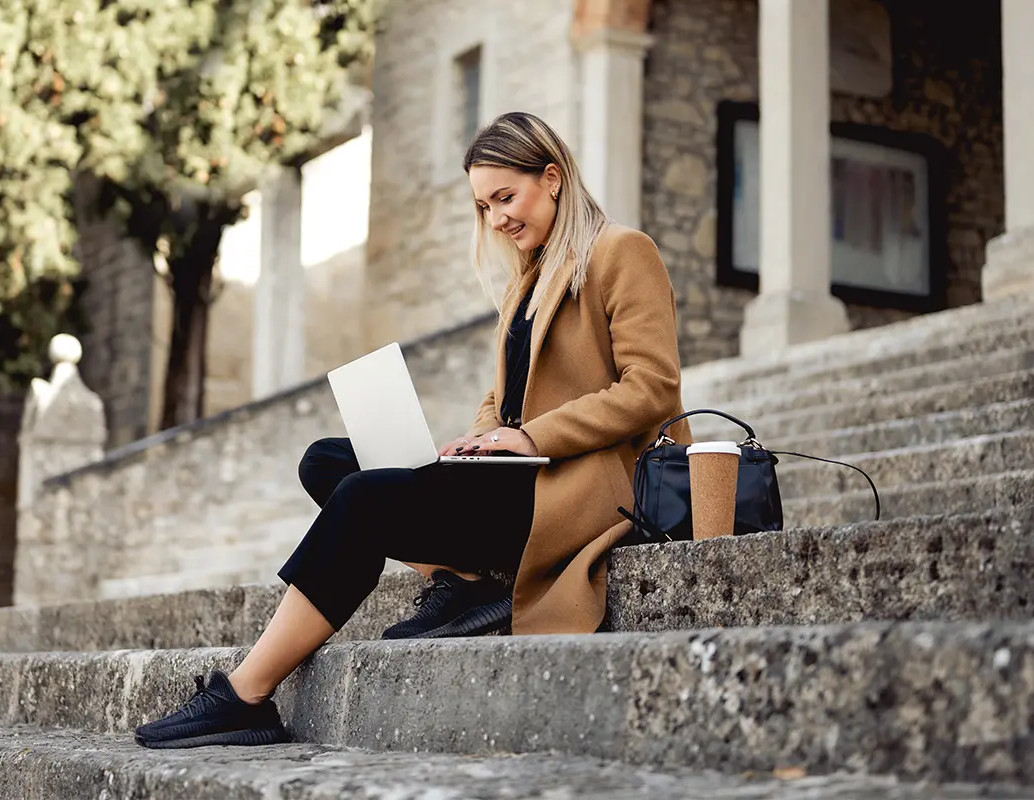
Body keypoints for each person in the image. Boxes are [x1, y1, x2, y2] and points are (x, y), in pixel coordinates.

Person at [134, 111, 692, 749]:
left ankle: (246, 694)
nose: (497, 219)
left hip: (577, 488)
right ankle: (461, 582)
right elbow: (504, 396)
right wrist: (481, 441)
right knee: (328, 462)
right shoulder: (527, 279)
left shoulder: (622, 251)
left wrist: (535, 439)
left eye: (505, 198)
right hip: (518, 477)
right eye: (484, 207)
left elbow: (653, 388)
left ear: (554, 178)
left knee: (366, 499)